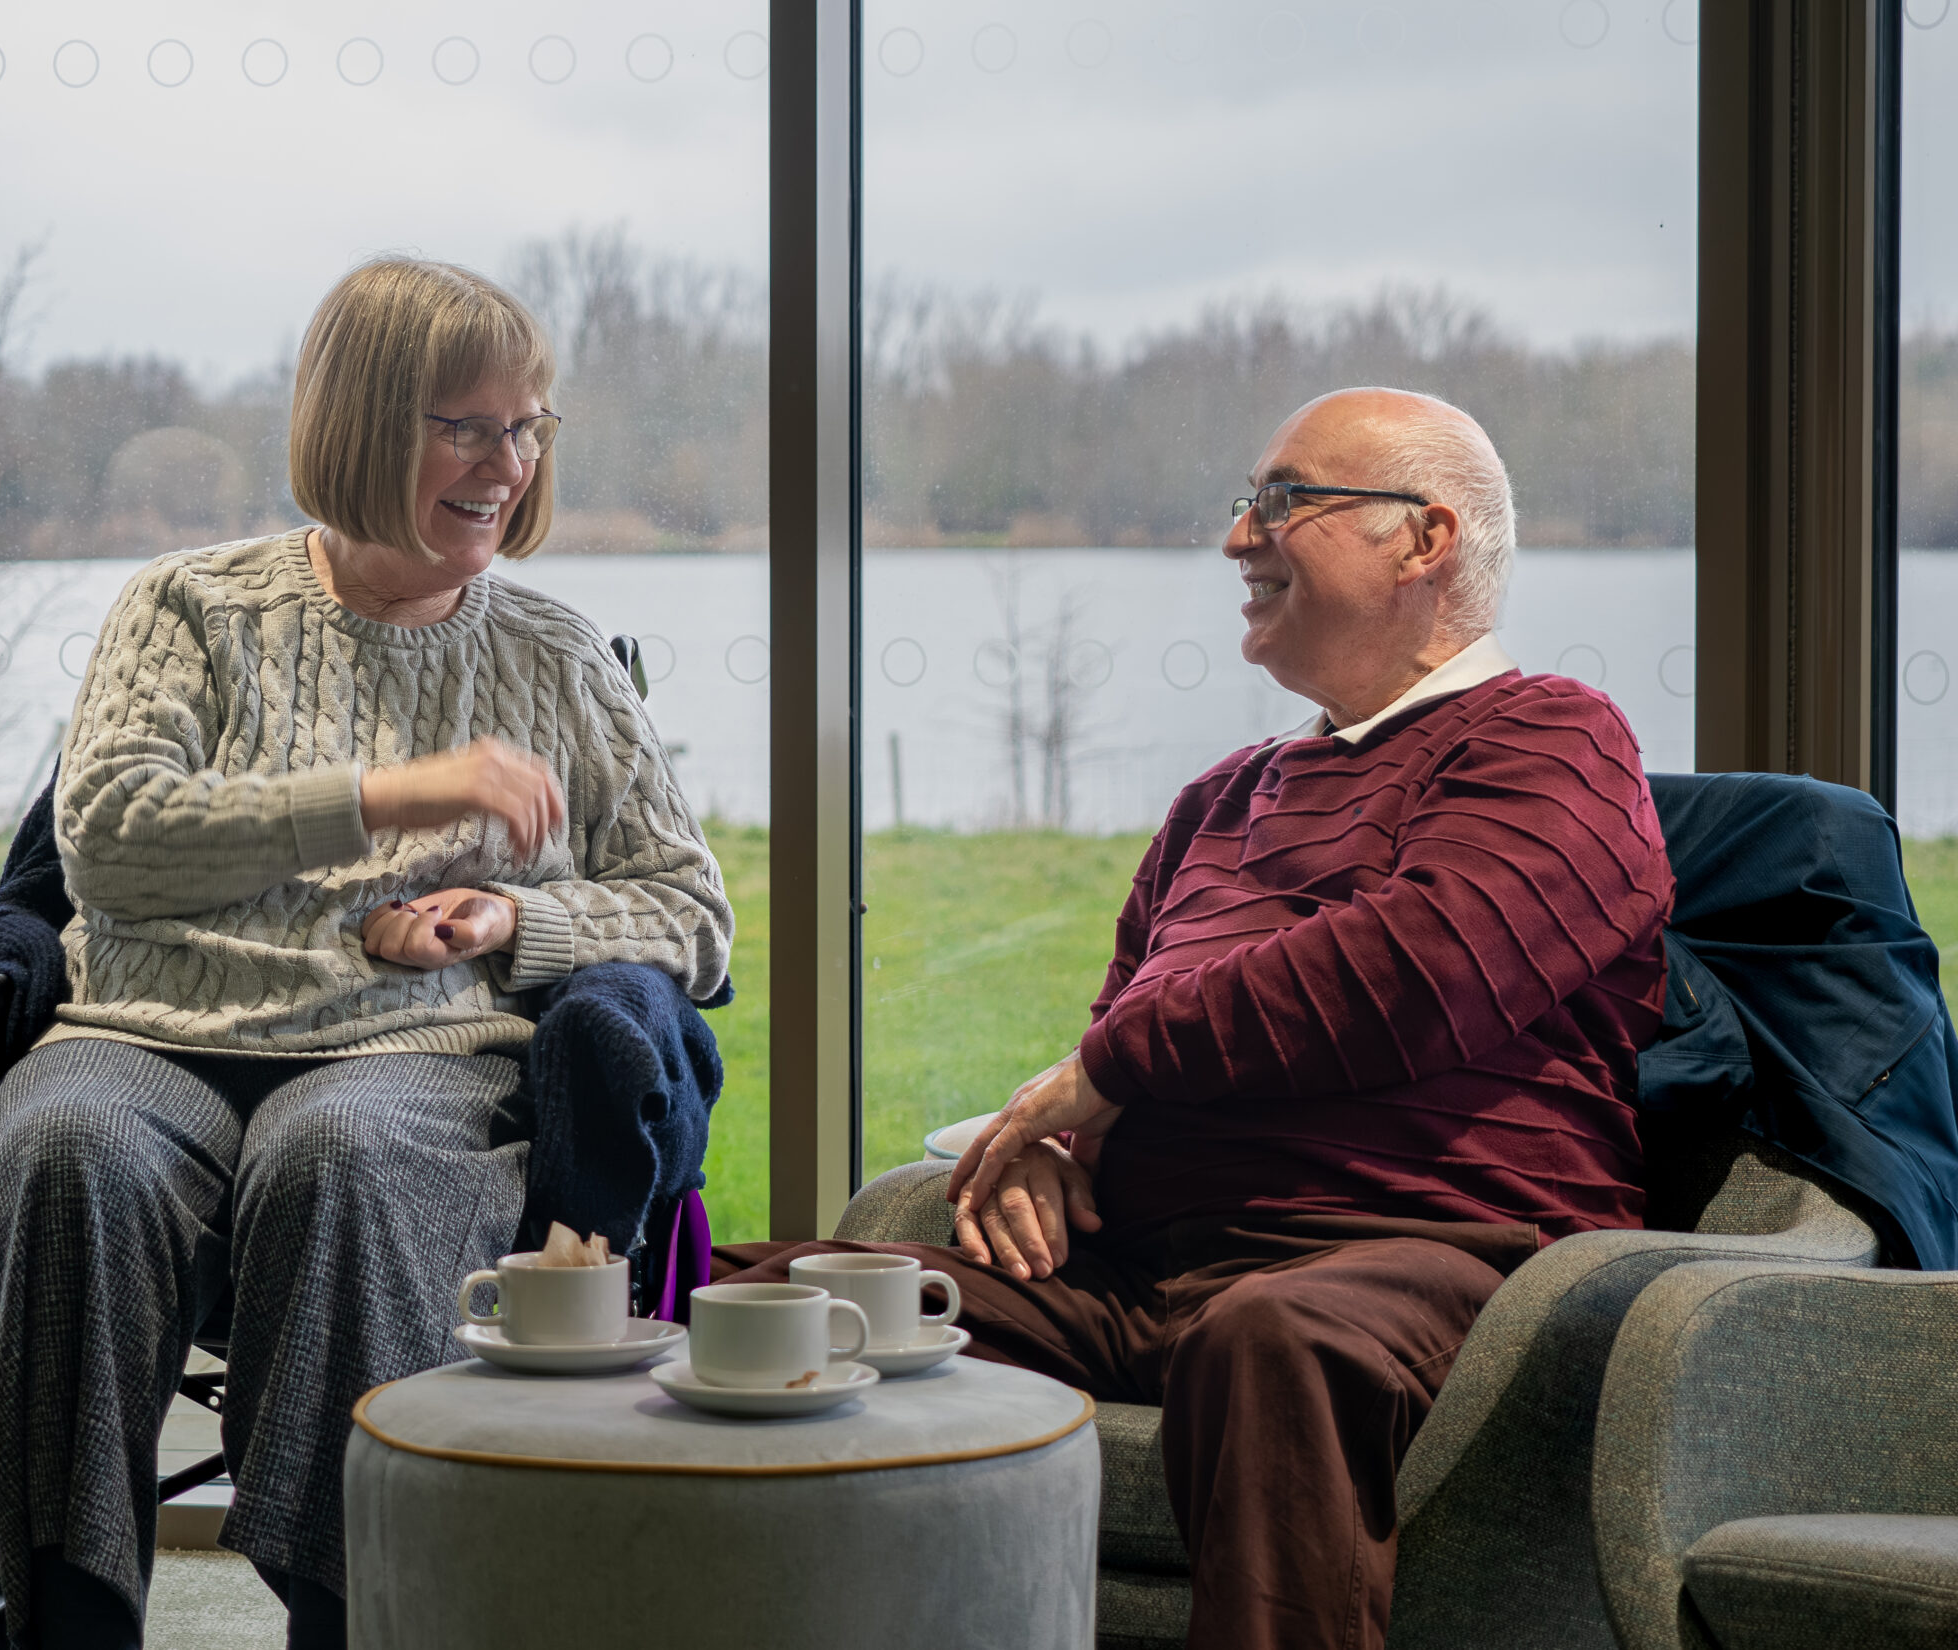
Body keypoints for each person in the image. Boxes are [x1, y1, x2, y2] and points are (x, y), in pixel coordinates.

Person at [716, 387, 1673, 1650]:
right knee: (763, 1296)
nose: (1237, 539)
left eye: (1282, 502)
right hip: (1143, 1274)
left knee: (1270, 1336)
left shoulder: (1551, 740)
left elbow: (1414, 971)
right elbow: (1128, 1036)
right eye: (1242, 504)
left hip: (1426, 1255)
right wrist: (1055, 1153)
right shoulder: (1218, 802)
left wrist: (1105, 1073)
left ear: (1424, 540)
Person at [0, 257, 734, 1650]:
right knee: (61, 1148)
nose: (509, 463)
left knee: (344, 1157)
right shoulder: (188, 607)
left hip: (412, 1051)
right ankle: (66, 1615)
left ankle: (353, 1606)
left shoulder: (558, 656)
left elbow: (688, 908)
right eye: (467, 424)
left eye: (531, 424)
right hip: (147, 1037)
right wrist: (401, 791)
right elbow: (113, 842)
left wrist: (515, 921)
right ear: (366, 422)